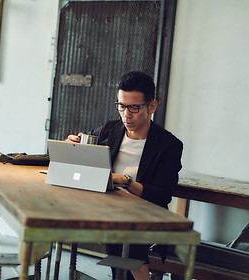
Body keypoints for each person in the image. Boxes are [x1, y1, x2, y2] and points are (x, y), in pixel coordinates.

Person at [67, 71, 183, 280]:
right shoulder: (110, 130)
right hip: (106, 208)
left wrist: (125, 181)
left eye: (134, 108)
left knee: (123, 229)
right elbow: (86, 154)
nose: (126, 115)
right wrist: (73, 147)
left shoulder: (168, 145)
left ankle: (135, 275)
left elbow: (162, 195)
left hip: (144, 215)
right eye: (121, 106)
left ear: (152, 107)